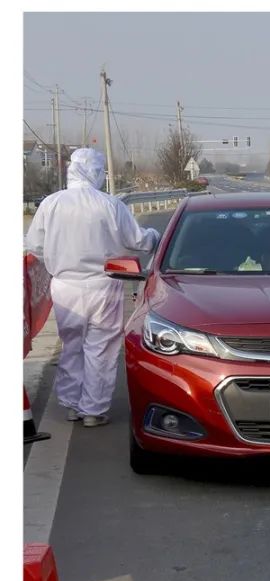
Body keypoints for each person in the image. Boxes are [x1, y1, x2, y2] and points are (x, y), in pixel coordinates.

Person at [24, 148, 160, 426]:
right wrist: (155, 236)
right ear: (97, 172)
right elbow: (139, 241)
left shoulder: (51, 204)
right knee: (100, 348)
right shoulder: (110, 204)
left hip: (64, 286)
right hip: (103, 285)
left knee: (71, 345)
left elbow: (35, 246)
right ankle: (93, 410)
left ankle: (72, 404)